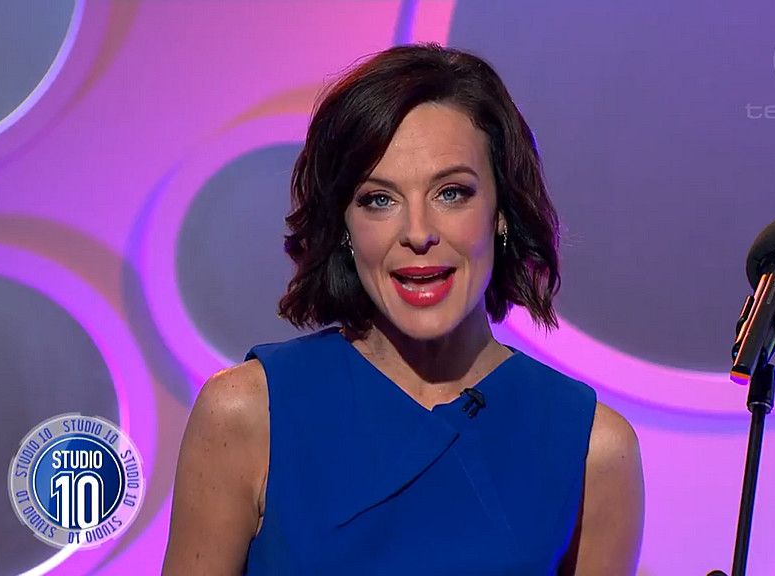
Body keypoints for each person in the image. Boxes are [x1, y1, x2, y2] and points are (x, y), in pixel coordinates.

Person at [163, 43, 644, 575]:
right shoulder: (246, 413)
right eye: (379, 199)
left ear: (501, 212)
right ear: (344, 228)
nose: (418, 233)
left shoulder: (593, 449)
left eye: (451, 193)